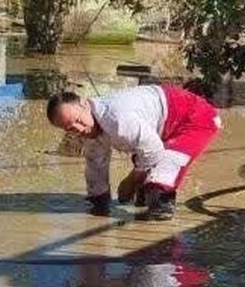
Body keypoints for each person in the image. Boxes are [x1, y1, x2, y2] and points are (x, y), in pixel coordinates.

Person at [46, 81, 221, 221]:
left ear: (85, 104)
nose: (79, 129)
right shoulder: (92, 133)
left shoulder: (117, 119)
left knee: (160, 182)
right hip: (163, 127)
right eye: (70, 128)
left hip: (197, 118)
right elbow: (95, 171)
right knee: (142, 196)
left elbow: (153, 150)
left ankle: (159, 253)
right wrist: (98, 203)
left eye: (78, 120)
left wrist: (130, 180)